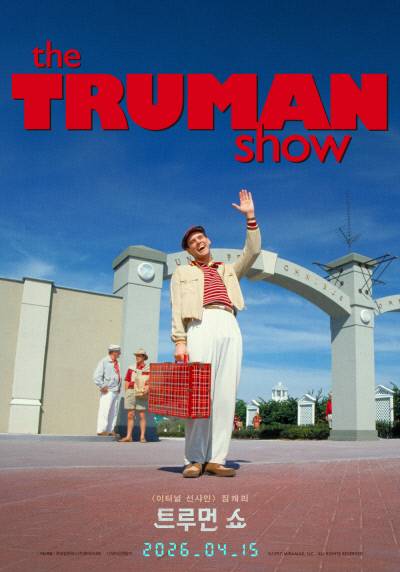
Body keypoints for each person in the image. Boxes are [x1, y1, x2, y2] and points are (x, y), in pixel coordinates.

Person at [171, 189, 261, 477]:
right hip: (199, 323)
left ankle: (216, 458)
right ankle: (194, 459)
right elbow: (176, 308)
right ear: (188, 251)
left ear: (209, 240)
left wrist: (250, 217)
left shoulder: (228, 270)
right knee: (200, 392)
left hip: (229, 322)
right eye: (192, 242)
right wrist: (180, 341)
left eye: (201, 237)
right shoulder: (182, 273)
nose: (198, 242)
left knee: (225, 393)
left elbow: (253, 251)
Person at [119, 348, 150, 443]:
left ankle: (142, 437)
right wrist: (127, 392)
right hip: (131, 391)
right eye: (136, 355)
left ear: (144, 357)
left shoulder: (148, 368)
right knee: (130, 415)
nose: (137, 357)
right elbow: (127, 380)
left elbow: (151, 381)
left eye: (139, 355)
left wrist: (147, 389)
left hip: (141, 392)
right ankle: (128, 437)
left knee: (142, 415)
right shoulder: (131, 368)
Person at [93, 344, 122, 437]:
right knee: (104, 410)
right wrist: (102, 386)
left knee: (113, 412)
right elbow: (96, 376)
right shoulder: (104, 362)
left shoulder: (117, 363)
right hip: (108, 390)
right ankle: (101, 430)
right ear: (113, 352)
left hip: (115, 390)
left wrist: (119, 388)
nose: (120, 354)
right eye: (118, 352)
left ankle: (110, 430)